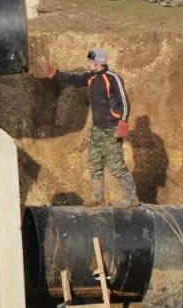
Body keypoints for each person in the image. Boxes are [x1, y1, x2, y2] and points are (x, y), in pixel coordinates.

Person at [34, 48, 139, 208]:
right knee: (94, 163)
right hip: (97, 128)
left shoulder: (113, 78)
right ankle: (97, 198)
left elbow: (124, 102)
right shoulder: (90, 77)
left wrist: (123, 123)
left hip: (112, 128)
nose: (87, 63)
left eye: (90, 61)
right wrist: (52, 71)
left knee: (116, 165)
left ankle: (131, 197)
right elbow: (72, 79)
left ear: (99, 63)